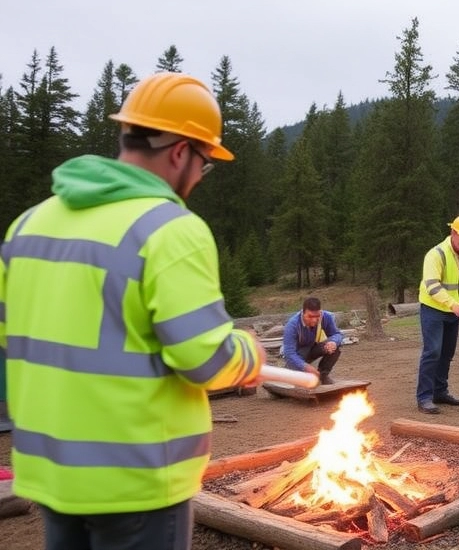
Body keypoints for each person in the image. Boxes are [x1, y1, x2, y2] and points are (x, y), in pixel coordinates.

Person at [0, 72, 267, 550]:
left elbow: (13, 339)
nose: (200, 178)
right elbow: (205, 360)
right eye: (205, 163)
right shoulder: (169, 229)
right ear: (181, 151)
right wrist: (249, 355)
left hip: (52, 473)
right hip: (138, 479)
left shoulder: (28, 225)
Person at [415, 214, 459, 414]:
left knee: (447, 353)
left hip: (454, 312)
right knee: (432, 351)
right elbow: (432, 286)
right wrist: (454, 305)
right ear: (453, 232)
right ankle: (424, 397)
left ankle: (440, 392)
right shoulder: (436, 255)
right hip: (433, 310)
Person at [281, 297, 343, 385]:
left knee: (334, 348)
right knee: (292, 383)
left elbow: (337, 334)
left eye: (317, 316)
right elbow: (289, 353)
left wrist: (333, 342)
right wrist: (305, 367)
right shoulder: (292, 325)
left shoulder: (326, 317)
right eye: (310, 316)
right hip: (297, 354)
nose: (314, 320)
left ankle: (322, 376)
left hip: (313, 347)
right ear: (303, 313)